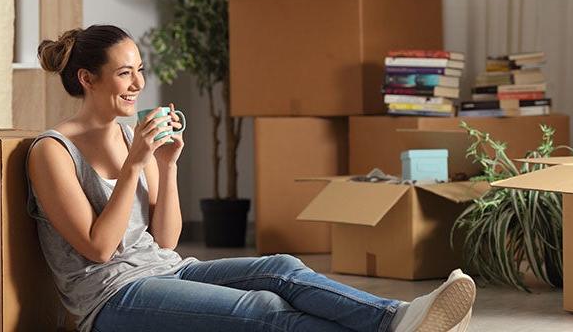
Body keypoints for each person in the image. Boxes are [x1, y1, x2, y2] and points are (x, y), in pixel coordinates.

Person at [26, 24, 477, 332]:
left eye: (140, 69)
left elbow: (165, 243)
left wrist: (167, 165)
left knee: (280, 268)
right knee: (266, 311)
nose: (139, 83)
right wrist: (135, 166)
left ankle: (396, 319)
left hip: (168, 271)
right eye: (125, 72)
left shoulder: (129, 137)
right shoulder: (52, 151)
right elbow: (100, 248)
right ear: (87, 78)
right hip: (111, 300)